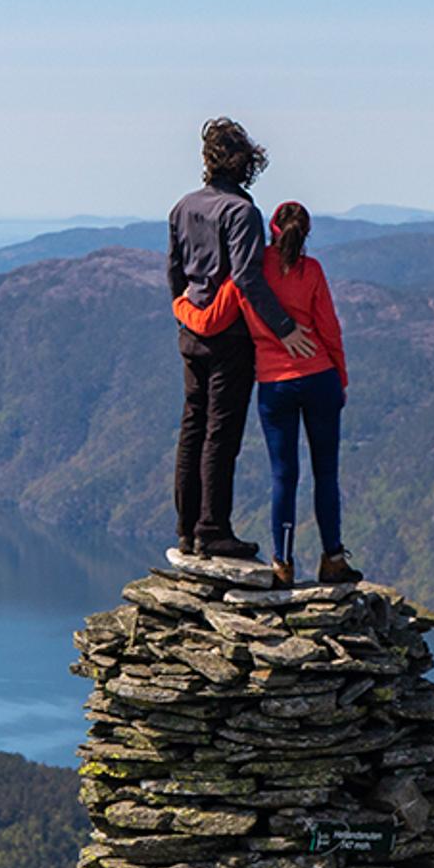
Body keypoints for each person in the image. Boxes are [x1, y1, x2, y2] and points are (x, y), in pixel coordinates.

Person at [167, 117, 315, 559]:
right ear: (245, 162)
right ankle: (213, 530)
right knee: (221, 433)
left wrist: (186, 318)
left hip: (191, 331)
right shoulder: (242, 213)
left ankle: (186, 528)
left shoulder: (182, 207)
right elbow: (248, 278)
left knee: (192, 427)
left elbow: (174, 274)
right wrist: (285, 330)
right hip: (230, 337)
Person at [245, 200, 357, 587]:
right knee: (326, 473)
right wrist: (340, 377)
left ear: (271, 229)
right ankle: (333, 559)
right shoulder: (312, 271)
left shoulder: (252, 271)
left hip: (274, 385)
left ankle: (283, 564)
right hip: (319, 378)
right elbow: (329, 328)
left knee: (284, 475)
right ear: (305, 233)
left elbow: (228, 309)